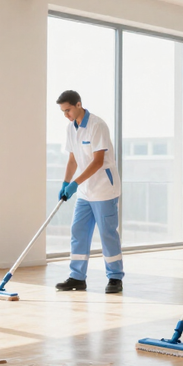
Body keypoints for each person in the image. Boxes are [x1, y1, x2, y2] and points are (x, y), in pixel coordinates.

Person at [54, 90, 124, 294]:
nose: (66, 115)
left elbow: (98, 162)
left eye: (67, 110)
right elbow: (73, 160)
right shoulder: (71, 128)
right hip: (85, 192)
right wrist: (65, 183)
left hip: (104, 190)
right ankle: (77, 277)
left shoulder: (97, 125)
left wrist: (74, 184)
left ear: (78, 104)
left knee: (107, 234)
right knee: (78, 232)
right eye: (62, 111)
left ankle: (114, 278)